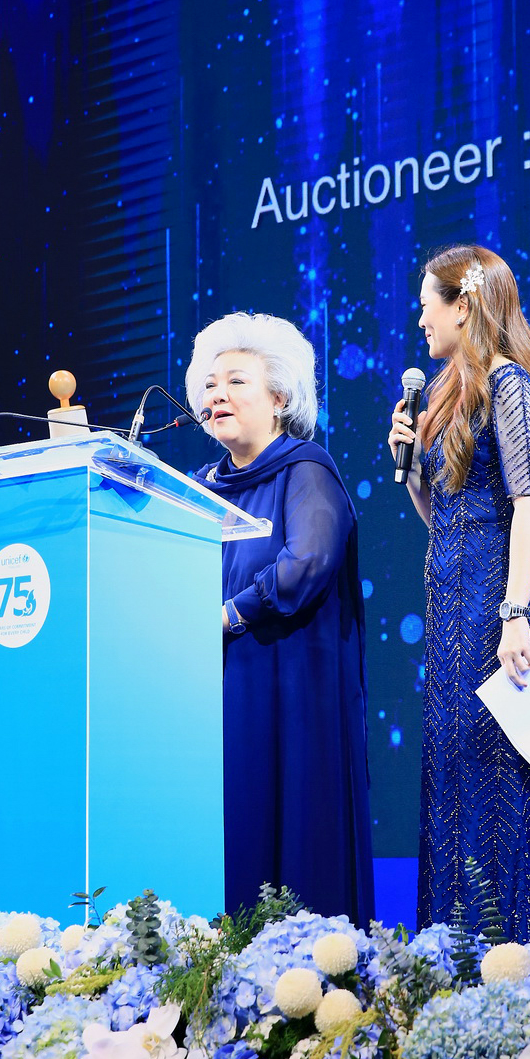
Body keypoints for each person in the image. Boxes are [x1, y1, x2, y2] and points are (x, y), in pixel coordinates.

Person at [388, 244, 530, 939]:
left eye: (427, 303)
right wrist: (410, 473)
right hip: (454, 616)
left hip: (497, 610)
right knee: (456, 785)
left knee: (499, 790)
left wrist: (515, 613)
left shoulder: (510, 383)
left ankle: (512, 960)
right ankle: (454, 962)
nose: (420, 318)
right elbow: (447, 517)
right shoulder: (448, 395)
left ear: (463, 305)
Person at [186, 312, 374, 925]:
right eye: (210, 385)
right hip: (212, 697)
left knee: (295, 847)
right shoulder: (193, 488)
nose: (217, 395)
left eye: (235, 382)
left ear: (280, 398)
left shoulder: (305, 469)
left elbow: (309, 561)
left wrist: (230, 614)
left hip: (293, 693)